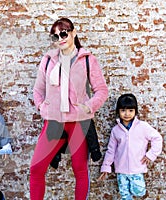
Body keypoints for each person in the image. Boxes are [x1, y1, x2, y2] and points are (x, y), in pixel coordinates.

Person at [30, 17, 109, 200]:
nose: (60, 39)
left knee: (80, 170)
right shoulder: (48, 60)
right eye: (55, 36)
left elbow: (101, 90)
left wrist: (88, 108)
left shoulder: (87, 60)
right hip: (54, 123)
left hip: (78, 123)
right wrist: (42, 107)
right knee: (36, 168)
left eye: (64, 33)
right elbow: (37, 90)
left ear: (73, 33)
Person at [98, 93, 163, 199]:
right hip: (121, 170)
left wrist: (151, 154)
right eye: (123, 110)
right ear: (118, 111)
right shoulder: (116, 130)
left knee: (139, 191)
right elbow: (111, 150)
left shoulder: (143, 127)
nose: (127, 114)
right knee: (125, 196)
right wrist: (106, 166)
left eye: (130, 110)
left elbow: (157, 139)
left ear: (135, 111)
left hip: (137, 168)